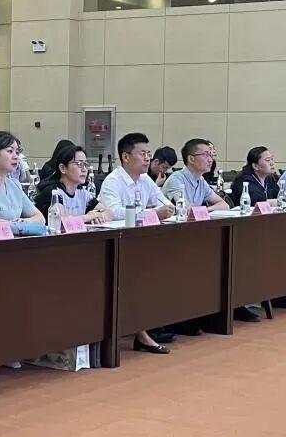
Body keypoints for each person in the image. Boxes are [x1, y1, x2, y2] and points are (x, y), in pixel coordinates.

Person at [97, 132, 175, 354]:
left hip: (140, 243)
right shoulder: (113, 181)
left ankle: (151, 327)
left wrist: (168, 208)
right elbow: (114, 213)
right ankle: (141, 332)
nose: (147, 158)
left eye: (149, 153)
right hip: (116, 245)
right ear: (126, 157)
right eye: (142, 153)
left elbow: (165, 203)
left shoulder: (145, 180)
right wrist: (152, 213)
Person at [34, 145, 111, 224]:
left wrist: (97, 217)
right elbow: (61, 221)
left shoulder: (82, 192)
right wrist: (87, 217)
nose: (84, 169)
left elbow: (109, 213)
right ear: (63, 168)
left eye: (85, 164)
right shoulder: (53, 193)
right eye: (79, 164)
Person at [162, 139, 230, 211]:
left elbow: (225, 205)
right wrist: (203, 211)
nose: (210, 160)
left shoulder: (201, 181)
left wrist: (205, 210)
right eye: (206, 155)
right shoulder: (176, 180)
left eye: (210, 155)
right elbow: (186, 210)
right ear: (191, 159)